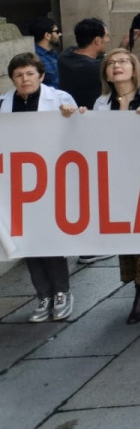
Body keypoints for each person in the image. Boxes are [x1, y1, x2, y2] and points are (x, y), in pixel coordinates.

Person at [91, 48, 140, 323]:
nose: (117, 66)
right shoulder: (101, 104)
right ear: (106, 73)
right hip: (118, 176)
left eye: (123, 61)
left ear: (134, 68)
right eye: (111, 63)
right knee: (127, 233)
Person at [1, 52, 79, 323]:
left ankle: (62, 292)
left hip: (50, 179)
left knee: (49, 238)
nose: (24, 79)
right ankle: (43, 294)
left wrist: (71, 116)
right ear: (12, 79)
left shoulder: (59, 100)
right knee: (27, 241)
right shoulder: (3, 104)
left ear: (41, 76)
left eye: (30, 74)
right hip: (16, 184)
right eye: (19, 75)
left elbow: (78, 133)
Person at [58, 17, 110, 109]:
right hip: (91, 114)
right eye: (106, 36)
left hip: (68, 112)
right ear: (97, 40)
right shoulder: (97, 67)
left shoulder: (64, 56)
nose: (108, 40)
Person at [31, 17, 61, 88]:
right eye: (56, 31)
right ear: (47, 35)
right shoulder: (36, 58)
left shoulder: (52, 53)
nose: (60, 34)